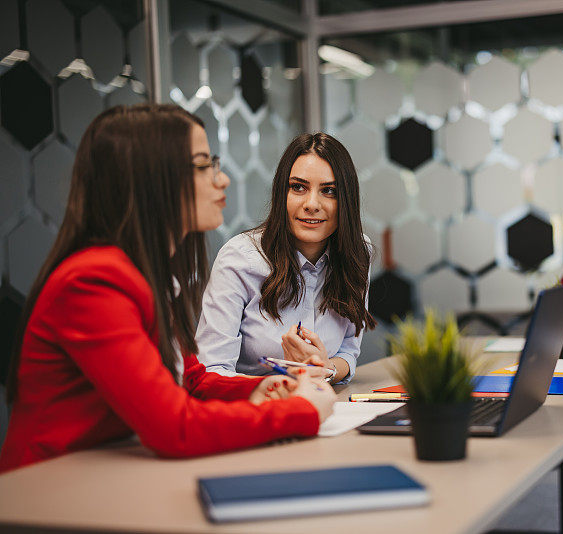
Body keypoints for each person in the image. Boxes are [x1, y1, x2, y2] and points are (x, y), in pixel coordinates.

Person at [0, 104, 336, 473]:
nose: (221, 180)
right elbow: (174, 428)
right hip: (49, 491)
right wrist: (297, 413)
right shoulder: (93, 282)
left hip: (113, 475)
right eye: (203, 165)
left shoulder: (147, 271)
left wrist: (263, 389)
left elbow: (189, 380)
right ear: (151, 180)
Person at [195, 133, 376, 384]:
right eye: (298, 187)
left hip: (324, 406)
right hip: (251, 412)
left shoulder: (358, 252)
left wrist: (325, 369)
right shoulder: (239, 259)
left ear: (346, 200)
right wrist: (289, 384)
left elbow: (348, 350)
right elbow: (211, 370)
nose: (312, 204)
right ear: (282, 193)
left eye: (329, 191)